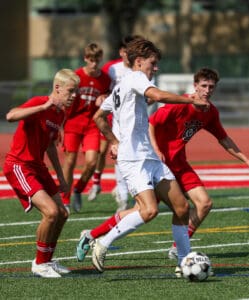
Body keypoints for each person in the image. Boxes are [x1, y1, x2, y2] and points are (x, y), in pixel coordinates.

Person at [77, 38, 209, 275]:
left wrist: (114, 140)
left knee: (181, 208)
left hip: (149, 156)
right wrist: (191, 100)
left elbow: (98, 116)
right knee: (149, 211)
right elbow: (157, 96)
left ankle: (183, 261)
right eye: (153, 63)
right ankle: (103, 242)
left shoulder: (122, 85)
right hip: (133, 159)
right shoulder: (137, 78)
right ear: (139, 62)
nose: (155, 68)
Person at [148, 67, 249, 259]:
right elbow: (151, 123)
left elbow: (223, 138)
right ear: (195, 86)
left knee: (205, 203)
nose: (207, 90)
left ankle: (177, 247)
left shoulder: (210, 112)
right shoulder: (179, 105)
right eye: (203, 85)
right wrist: (157, 151)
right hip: (159, 165)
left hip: (180, 164)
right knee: (145, 212)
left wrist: (247, 160)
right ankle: (96, 237)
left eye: (211, 86)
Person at [3, 69, 80, 278]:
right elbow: (11, 115)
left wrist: (61, 178)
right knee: (51, 212)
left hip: (38, 167)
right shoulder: (40, 102)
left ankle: (46, 260)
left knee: (63, 213)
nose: (74, 96)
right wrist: (42, 106)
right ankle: (39, 263)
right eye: (71, 91)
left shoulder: (60, 113)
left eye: (76, 92)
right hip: (19, 165)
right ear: (57, 88)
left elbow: (50, 147)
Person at [88, 35, 142, 213]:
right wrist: (102, 97)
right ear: (121, 52)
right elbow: (101, 87)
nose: (130, 55)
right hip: (114, 119)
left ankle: (130, 192)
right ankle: (121, 195)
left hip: (136, 120)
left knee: (135, 155)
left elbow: (149, 96)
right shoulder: (112, 69)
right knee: (111, 153)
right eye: (128, 51)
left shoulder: (140, 70)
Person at [61, 42, 111, 213]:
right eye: (90, 59)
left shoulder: (104, 78)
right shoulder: (76, 77)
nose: (94, 63)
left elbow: (109, 93)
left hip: (92, 125)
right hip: (73, 123)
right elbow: (64, 97)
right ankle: (65, 200)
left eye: (97, 59)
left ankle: (77, 190)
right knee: (70, 162)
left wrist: (104, 96)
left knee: (91, 162)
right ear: (85, 58)